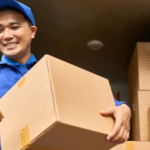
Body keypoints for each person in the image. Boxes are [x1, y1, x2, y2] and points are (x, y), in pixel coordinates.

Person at [0, 0, 131, 147]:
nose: (6, 35)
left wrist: (124, 108)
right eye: (0, 30)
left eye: (14, 27)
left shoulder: (51, 74)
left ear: (32, 32)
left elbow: (94, 99)